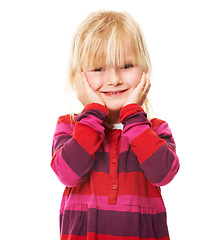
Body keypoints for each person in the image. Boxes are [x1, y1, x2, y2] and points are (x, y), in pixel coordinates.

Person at [51, 10, 180, 240]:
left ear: (144, 71)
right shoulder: (70, 126)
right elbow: (68, 175)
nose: (114, 79)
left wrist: (133, 116)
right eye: (99, 69)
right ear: (78, 77)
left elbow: (163, 174)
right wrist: (92, 114)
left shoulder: (155, 130)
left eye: (127, 65)